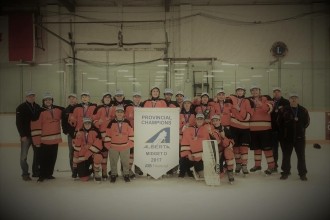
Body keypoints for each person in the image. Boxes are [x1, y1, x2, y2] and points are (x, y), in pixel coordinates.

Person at [31, 92, 64, 182]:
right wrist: (37, 141)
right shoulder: (39, 112)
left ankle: (49, 174)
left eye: (50, 100)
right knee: (43, 159)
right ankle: (42, 175)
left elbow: (66, 111)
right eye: (46, 100)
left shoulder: (57, 110)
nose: (48, 101)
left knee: (52, 158)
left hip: (55, 140)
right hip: (44, 141)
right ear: (43, 101)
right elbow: (35, 127)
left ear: (52, 101)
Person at [277, 93, 310, 181]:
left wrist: (301, 129)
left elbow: (307, 123)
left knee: (301, 156)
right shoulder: (283, 110)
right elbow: (279, 122)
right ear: (289, 100)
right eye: (292, 98)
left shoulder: (303, 110)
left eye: (295, 98)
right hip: (287, 138)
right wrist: (284, 133)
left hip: (300, 138)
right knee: (286, 156)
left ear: (298, 99)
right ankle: (285, 172)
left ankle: (302, 174)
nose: (294, 99)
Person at [248, 85, 275, 175]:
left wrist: (261, 104)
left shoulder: (266, 98)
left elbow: (270, 109)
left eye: (256, 90)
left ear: (260, 91)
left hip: (265, 129)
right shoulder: (249, 100)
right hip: (253, 129)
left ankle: (271, 166)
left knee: (267, 149)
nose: (254, 91)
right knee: (257, 149)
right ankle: (257, 165)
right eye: (253, 90)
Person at [104, 105, 134, 183]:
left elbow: (131, 134)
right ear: (115, 113)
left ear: (123, 113)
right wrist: (109, 146)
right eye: (118, 112)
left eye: (121, 112)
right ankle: (113, 174)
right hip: (113, 147)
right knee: (113, 162)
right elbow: (108, 134)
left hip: (125, 146)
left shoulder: (127, 122)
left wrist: (129, 145)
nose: (119, 113)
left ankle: (126, 174)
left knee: (125, 162)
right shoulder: (111, 122)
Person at [16, 90, 41, 181]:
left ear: (34, 97)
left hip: (35, 135)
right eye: (29, 96)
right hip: (26, 136)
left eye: (33, 96)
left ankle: (36, 172)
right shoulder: (21, 107)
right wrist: (22, 135)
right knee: (23, 157)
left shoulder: (38, 107)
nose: (31, 97)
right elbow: (18, 123)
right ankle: (25, 174)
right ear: (26, 97)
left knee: (37, 154)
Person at [69, 91, 97, 172]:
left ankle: (93, 169)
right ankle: (75, 170)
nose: (85, 98)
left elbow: (95, 119)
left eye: (86, 97)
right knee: (77, 151)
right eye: (83, 97)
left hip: (90, 132)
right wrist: (72, 121)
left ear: (89, 98)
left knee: (90, 150)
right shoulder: (76, 107)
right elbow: (72, 122)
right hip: (79, 133)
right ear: (81, 98)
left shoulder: (93, 107)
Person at [229, 86, 252, 175]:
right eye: (238, 91)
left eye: (241, 91)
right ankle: (238, 164)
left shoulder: (247, 101)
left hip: (244, 128)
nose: (239, 92)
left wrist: (239, 110)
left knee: (244, 148)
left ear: (244, 92)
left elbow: (248, 115)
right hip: (234, 128)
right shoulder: (232, 99)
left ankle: (244, 166)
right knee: (236, 148)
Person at [72, 117, 103, 182]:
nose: (87, 124)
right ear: (83, 124)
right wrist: (78, 138)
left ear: (91, 123)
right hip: (82, 155)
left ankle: (96, 172)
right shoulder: (79, 132)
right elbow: (76, 147)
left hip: (91, 154)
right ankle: (90, 171)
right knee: (84, 179)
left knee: (98, 157)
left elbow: (98, 146)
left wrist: (86, 155)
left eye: (89, 123)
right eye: (86, 123)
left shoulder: (96, 131)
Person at [180, 113, 211, 179]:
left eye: (201, 119)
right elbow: (186, 141)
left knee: (202, 175)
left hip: (201, 155)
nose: (199, 120)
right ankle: (186, 171)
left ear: (203, 120)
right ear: (195, 120)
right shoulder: (189, 129)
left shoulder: (205, 129)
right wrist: (188, 153)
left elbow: (206, 140)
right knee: (183, 160)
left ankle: (196, 170)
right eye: (198, 119)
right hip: (190, 154)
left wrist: (197, 139)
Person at [92, 92, 114, 180]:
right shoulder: (98, 108)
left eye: (109, 97)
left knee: (111, 155)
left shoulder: (114, 108)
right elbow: (93, 120)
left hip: (112, 136)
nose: (107, 99)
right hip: (102, 136)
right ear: (103, 99)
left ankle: (110, 171)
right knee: (103, 155)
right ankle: (103, 172)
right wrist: (97, 123)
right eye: (106, 97)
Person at [209, 115, 235, 183]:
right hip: (216, 151)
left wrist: (223, 137)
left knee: (228, 152)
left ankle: (230, 172)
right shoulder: (210, 129)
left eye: (216, 120)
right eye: (213, 121)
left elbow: (231, 142)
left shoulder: (225, 129)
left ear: (220, 121)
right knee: (219, 175)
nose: (215, 122)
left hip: (225, 149)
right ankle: (222, 169)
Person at [125, 91, 144, 178]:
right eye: (135, 97)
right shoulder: (128, 107)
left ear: (140, 98)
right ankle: (128, 169)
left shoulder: (142, 107)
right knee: (131, 152)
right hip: (131, 133)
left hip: (140, 132)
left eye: (138, 97)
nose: (137, 98)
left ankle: (137, 168)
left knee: (139, 151)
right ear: (133, 98)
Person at [270, 87, 289, 172]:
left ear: (281, 93)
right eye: (275, 92)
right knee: (274, 150)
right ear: (273, 93)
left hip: (282, 130)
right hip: (273, 130)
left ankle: (285, 168)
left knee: (285, 150)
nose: (276, 93)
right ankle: (274, 166)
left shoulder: (286, 102)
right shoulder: (270, 102)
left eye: (278, 92)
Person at [178, 97, 196, 178]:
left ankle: (188, 170)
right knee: (182, 154)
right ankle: (182, 171)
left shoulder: (194, 115)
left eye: (188, 103)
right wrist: (182, 128)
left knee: (189, 153)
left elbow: (196, 126)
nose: (187, 105)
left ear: (191, 105)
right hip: (181, 136)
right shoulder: (179, 114)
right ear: (183, 105)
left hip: (190, 138)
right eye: (185, 103)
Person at [61, 93, 78, 178]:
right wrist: (66, 132)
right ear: (68, 99)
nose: (72, 99)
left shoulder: (80, 108)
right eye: (70, 98)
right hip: (71, 136)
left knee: (80, 152)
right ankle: (73, 171)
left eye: (74, 98)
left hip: (80, 135)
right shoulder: (65, 110)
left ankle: (82, 170)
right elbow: (63, 123)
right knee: (72, 153)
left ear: (76, 99)